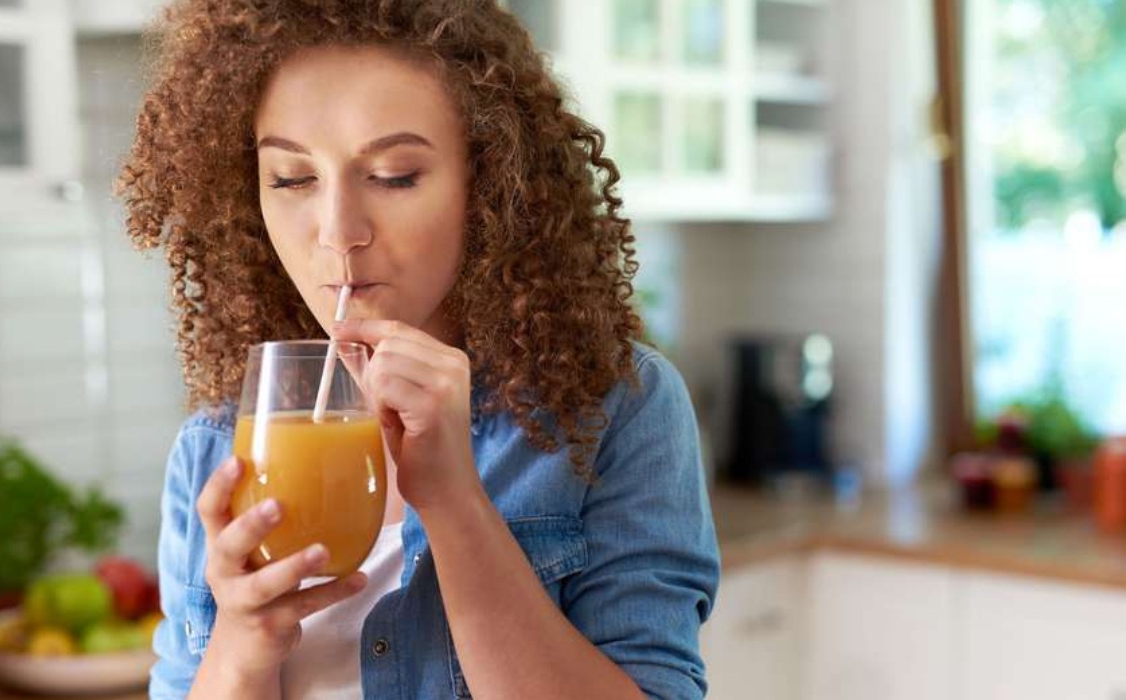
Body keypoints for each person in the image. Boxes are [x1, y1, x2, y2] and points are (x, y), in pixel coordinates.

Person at [117, 0, 721, 698]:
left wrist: (455, 503)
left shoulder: (616, 412)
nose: (338, 231)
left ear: (488, 185)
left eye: (395, 176)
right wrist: (241, 646)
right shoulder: (215, 448)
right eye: (292, 178)